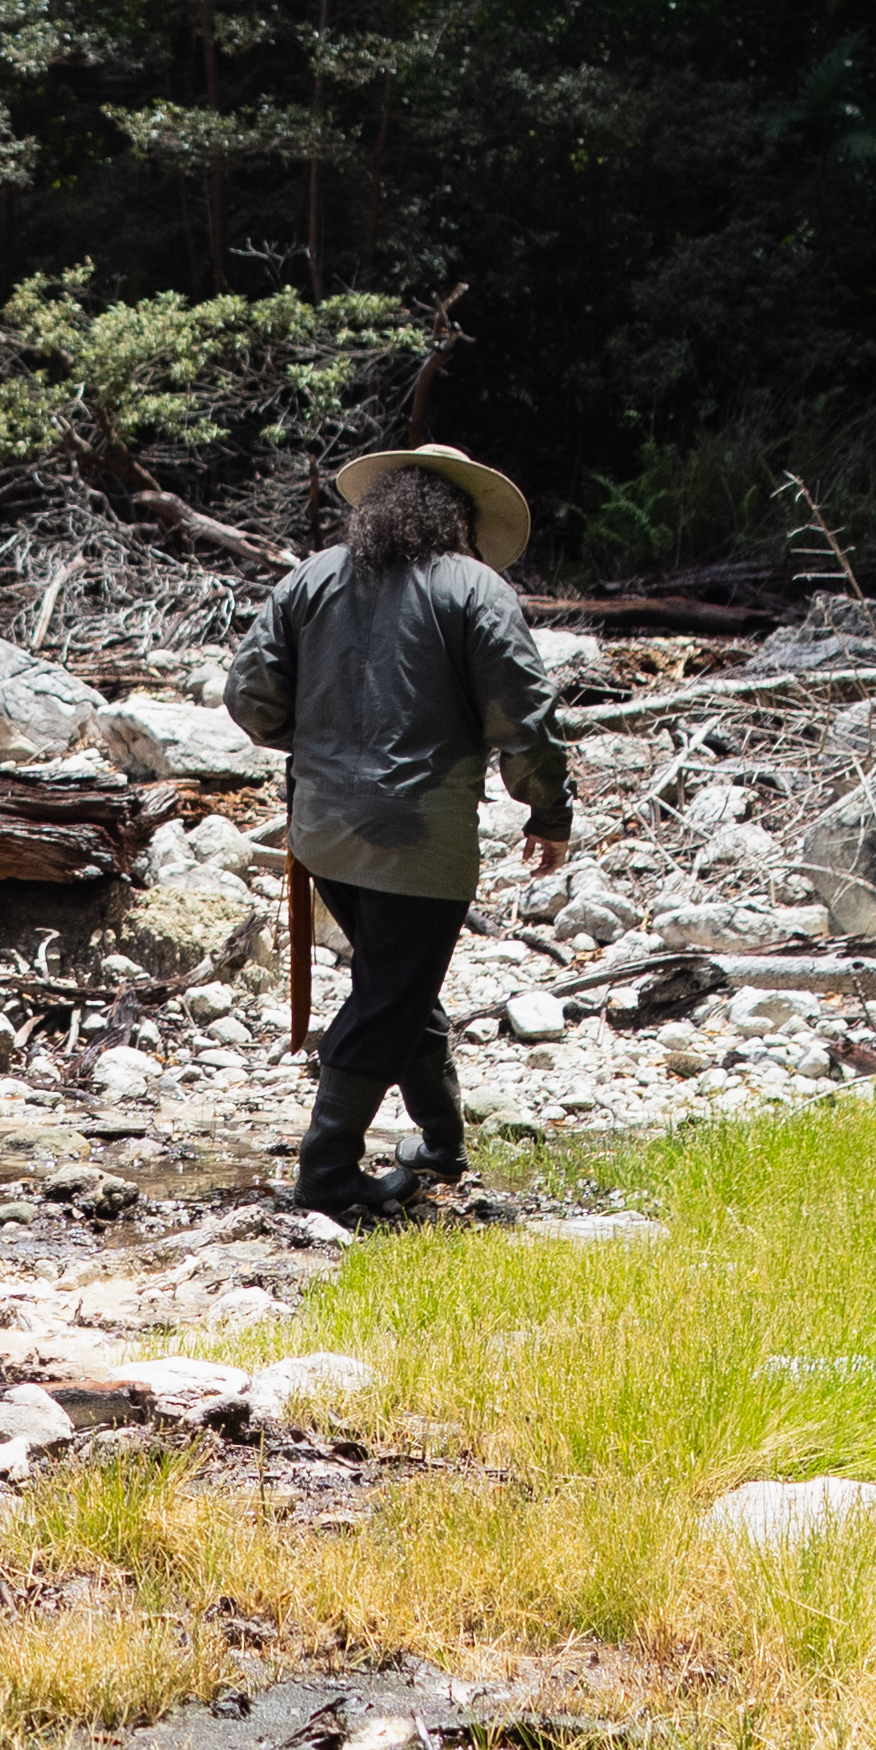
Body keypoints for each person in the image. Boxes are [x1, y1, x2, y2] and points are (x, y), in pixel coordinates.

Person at [224, 444, 574, 1224]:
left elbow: (248, 699)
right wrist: (547, 812)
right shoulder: (473, 587)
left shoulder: (312, 576)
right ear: (459, 518)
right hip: (419, 839)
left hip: (321, 831)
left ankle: (441, 1145)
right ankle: (326, 1176)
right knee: (388, 994)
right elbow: (524, 718)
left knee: (399, 982)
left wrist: (322, 746)